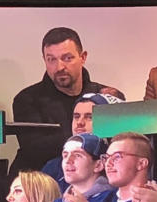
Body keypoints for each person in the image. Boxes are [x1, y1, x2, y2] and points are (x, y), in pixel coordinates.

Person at [11, 27, 124, 175]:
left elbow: (119, 145)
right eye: (51, 59)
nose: (59, 67)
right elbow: (34, 150)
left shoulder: (105, 97)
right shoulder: (26, 99)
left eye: (67, 58)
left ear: (83, 57)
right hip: (42, 181)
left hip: (97, 178)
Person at [41, 93, 123, 189]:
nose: (79, 122)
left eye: (89, 117)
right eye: (76, 116)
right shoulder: (53, 168)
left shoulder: (122, 166)